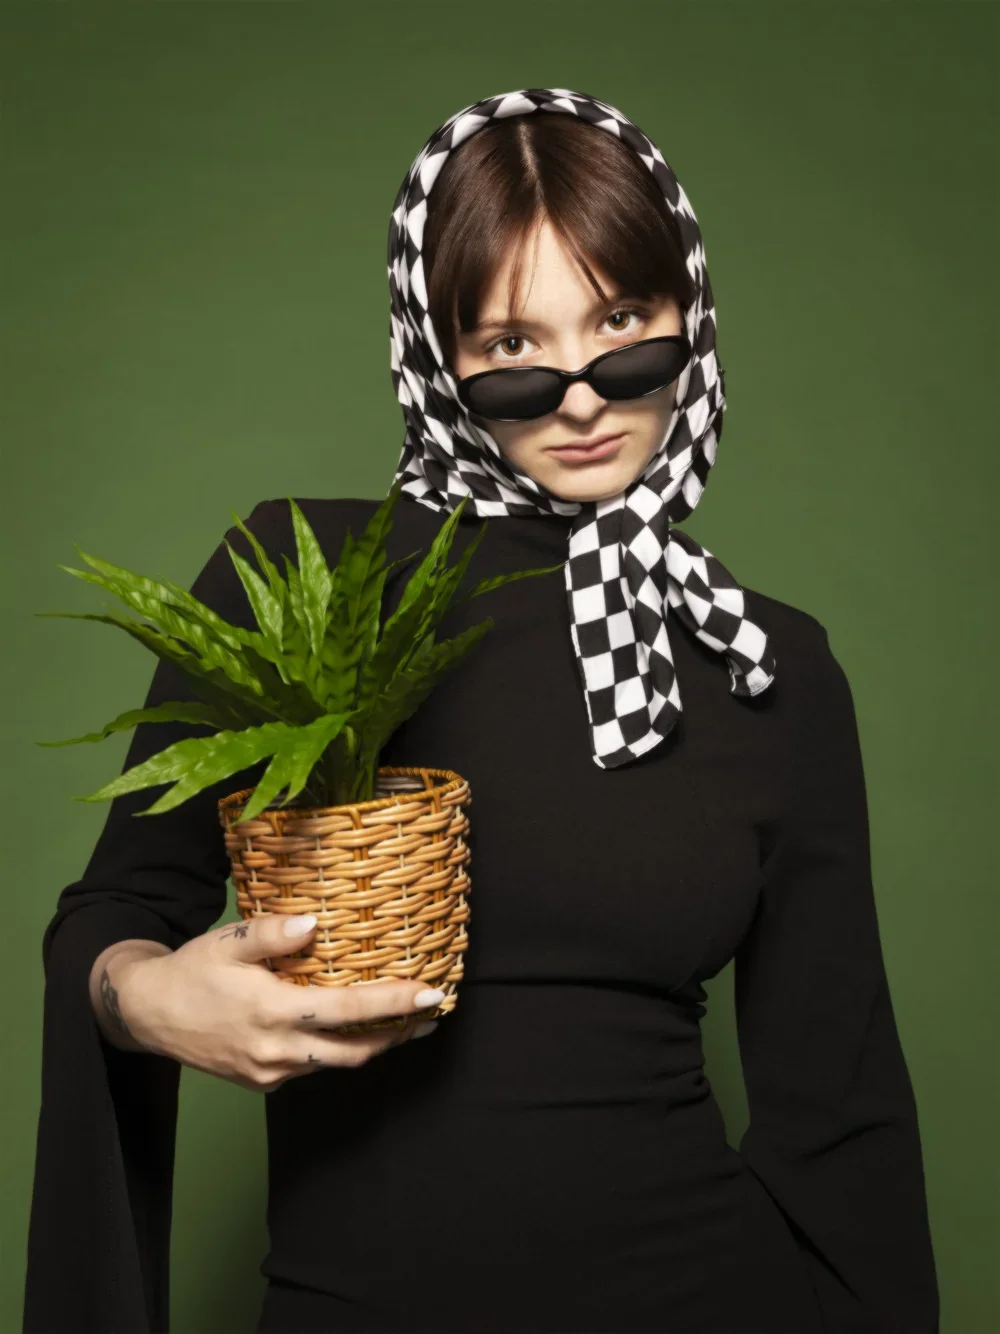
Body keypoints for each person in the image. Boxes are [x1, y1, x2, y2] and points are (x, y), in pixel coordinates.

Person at [22, 88, 939, 1334]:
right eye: (512, 347)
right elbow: (116, 911)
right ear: (434, 353)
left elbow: (838, 1107)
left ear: (691, 316)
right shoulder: (301, 580)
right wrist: (141, 996)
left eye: (623, 323)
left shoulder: (763, 659)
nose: (579, 395)